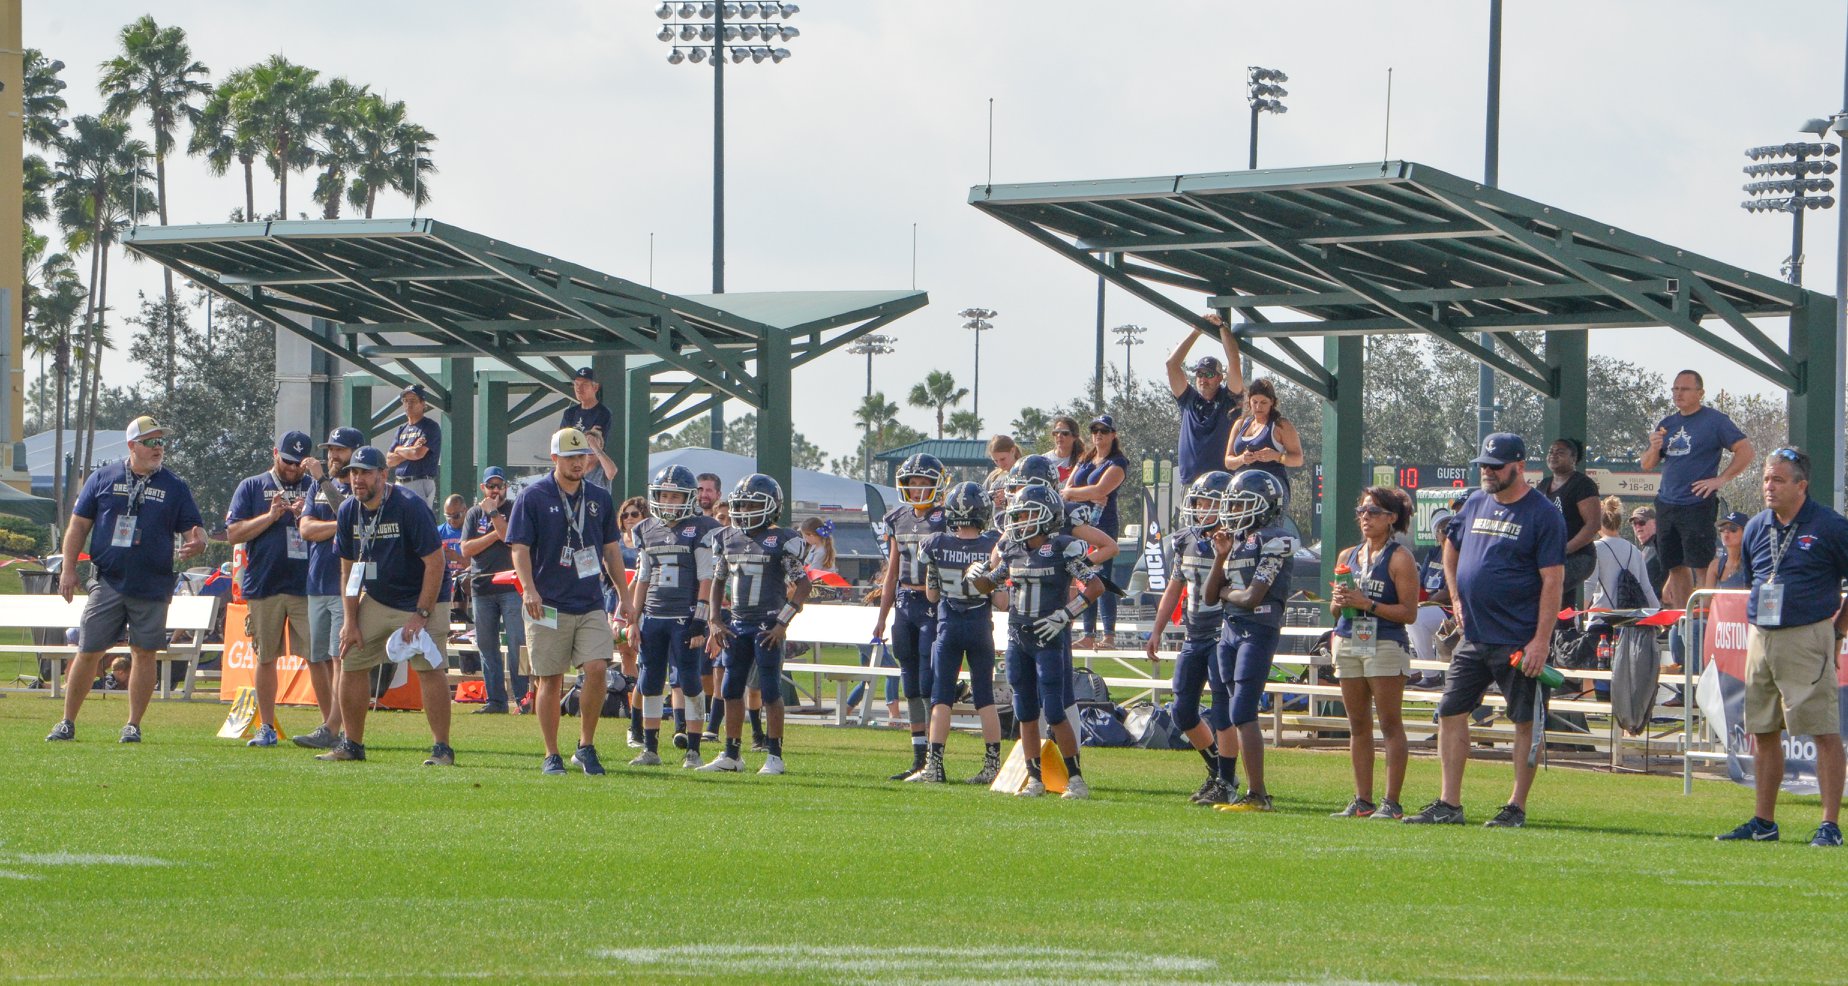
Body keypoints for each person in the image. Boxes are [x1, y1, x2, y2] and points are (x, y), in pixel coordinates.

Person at [1405, 433, 1564, 828]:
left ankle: (1516, 806)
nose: (1488, 472)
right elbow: (1451, 548)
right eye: (1483, 466)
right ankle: (1449, 803)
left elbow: (1553, 581)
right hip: (1474, 635)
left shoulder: (1542, 514)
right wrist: (1456, 599)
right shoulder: (1475, 500)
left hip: (1519, 639)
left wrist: (1541, 641)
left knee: (1525, 719)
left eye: (1495, 466)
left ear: (1519, 466)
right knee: (1450, 710)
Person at [1715, 447, 1848, 845]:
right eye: (1766, 479)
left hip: (1807, 634)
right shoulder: (1756, 526)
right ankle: (1764, 821)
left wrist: (1838, 630)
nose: (1769, 487)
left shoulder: (1829, 526)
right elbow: (1756, 577)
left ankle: (1829, 825)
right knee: (1763, 729)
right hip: (1761, 635)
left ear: (1801, 485)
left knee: (1822, 730)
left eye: (1778, 480)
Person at [46, 416, 205, 744]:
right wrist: (69, 569)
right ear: (132, 445)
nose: (158, 447)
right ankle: (66, 722)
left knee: (144, 652)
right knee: (88, 650)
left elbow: (194, 527)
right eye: (150, 442)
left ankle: (132, 724)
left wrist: (198, 540)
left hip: (152, 584)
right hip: (109, 582)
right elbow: (78, 526)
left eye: (161, 441)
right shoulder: (103, 477)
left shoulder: (175, 486)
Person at [507, 428, 631, 776]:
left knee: (596, 670)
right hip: (545, 602)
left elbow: (610, 550)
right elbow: (519, 548)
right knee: (550, 679)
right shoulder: (532, 496)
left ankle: (586, 746)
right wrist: (528, 589)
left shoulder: (599, 498)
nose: (578, 463)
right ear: (555, 459)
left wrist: (625, 596)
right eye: (571, 457)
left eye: (582, 457)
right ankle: (551, 754)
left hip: (589, 599)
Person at [316, 446, 451, 764]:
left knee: (429, 667)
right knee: (351, 659)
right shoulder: (349, 510)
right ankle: (352, 745)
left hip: (423, 597)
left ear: (383, 474)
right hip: (378, 597)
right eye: (353, 472)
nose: (357, 479)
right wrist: (350, 620)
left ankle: (442, 748)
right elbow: (349, 569)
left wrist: (421, 615)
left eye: (364, 472)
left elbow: (436, 564)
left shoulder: (409, 506)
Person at [970, 485, 1103, 799]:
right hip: (1018, 636)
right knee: (1025, 712)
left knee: (1055, 711)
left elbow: (1095, 586)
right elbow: (989, 584)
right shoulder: (1012, 548)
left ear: (1047, 517)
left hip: (1049, 637)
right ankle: (1035, 780)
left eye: (1028, 514)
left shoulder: (1062, 548)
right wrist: (975, 576)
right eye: (1018, 515)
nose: (1021, 521)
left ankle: (1076, 780)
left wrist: (1064, 615)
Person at [700, 474, 813, 774]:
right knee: (730, 689)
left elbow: (803, 586)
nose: (746, 510)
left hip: (767, 625)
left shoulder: (782, 540)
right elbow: (717, 581)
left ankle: (774, 755)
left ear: (771, 507)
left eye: (753, 504)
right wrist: (714, 620)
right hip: (737, 624)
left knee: (771, 691)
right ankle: (732, 754)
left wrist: (781, 624)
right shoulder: (727, 538)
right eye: (742, 504)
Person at [1143, 471, 1240, 806]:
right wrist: (1157, 629)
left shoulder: (1238, 538)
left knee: (1223, 710)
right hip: (1193, 632)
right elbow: (1175, 586)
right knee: (1182, 711)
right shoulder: (1184, 538)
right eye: (1199, 501)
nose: (1202, 508)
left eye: (1210, 501)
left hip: (1223, 631)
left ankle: (1226, 781)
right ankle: (1219, 772)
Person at [1202, 469, 1293, 813]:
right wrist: (1221, 557)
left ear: (1266, 506)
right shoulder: (1236, 541)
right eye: (1233, 503)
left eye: (1243, 503)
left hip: (1258, 628)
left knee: (1243, 709)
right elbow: (1212, 596)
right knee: (1230, 708)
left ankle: (1258, 794)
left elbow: (1254, 596)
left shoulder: (1276, 539)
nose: (1235, 510)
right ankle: (1248, 790)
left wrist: (1230, 592)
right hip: (1230, 630)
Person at [1328, 487, 1420, 821]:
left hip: (1384, 643)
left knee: (1390, 723)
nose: (1365, 517)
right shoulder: (1347, 556)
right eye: (1362, 511)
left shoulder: (1399, 557)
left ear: (1392, 519)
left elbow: (1410, 613)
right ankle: (1362, 799)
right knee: (1358, 724)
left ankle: (1391, 802)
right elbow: (1335, 612)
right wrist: (1338, 603)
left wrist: (1368, 604)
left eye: (1374, 512)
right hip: (1350, 639)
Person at [909, 481, 1007, 784]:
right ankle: (991, 765)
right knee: (984, 698)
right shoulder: (992, 545)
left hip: (948, 626)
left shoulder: (936, 543)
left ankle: (934, 766)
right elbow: (1002, 602)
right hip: (979, 626)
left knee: (941, 698)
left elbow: (932, 596)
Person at [224, 430, 317, 748]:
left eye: (299, 464)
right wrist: (271, 516)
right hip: (265, 585)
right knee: (265, 657)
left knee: (319, 657)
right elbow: (234, 533)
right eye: (288, 461)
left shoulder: (313, 485)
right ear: (275, 453)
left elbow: (342, 521)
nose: (293, 470)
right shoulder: (252, 486)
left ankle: (331, 726)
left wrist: (309, 510)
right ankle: (266, 726)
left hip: (307, 586)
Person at [631, 465, 723, 768]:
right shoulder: (646, 529)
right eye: (664, 495)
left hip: (683, 615)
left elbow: (706, 576)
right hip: (654, 615)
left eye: (675, 496)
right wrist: (633, 618)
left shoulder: (701, 527)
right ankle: (650, 748)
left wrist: (700, 619)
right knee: (650, 681)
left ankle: (694, 749)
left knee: (689, 680)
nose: (669, 501)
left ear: (688, 498)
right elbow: (643, 577)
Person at [1639, 369, 1754, 610]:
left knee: (1700, 565)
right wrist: (1653, 447)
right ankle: (1685, 620)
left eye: (1684, 389)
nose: (1678, 393)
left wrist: (1720, 480)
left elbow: (1745, 451)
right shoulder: (1667, 424)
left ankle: (1703, 620)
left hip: (1696, 504)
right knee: (1675, 565)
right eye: (1675, 389)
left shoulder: (1715, 420)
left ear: (1700, 393)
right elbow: (1647, 464)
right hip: (1667, 503)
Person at [871, 453, 949, 779]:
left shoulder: (946, 518)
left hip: (933, 603)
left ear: (937, 485)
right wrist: (881, 615)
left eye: (923, 483)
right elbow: (891, 572)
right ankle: (919, 757)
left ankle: (934, 759)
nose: (917, 490)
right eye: (912, 483)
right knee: (910, 683)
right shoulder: (897, 518)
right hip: (904, 602)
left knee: (930, 682)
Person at [292, 426, 362, 749]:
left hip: (343, 584)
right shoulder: (318, 488)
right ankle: (330, 725)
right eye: (330, 449)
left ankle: (336, 726)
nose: (332, 455)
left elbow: (353, 521)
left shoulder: (360, 488)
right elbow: (305, 528)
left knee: (339, 658)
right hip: (316, 580)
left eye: (339, 450)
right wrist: (339, 527)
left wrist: (321, 480)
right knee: (316, 656)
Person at [460, 466, 525, 715]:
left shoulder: (513, 508)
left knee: (517, 643)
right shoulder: (474, 514)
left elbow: (508, 535)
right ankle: (496, 701)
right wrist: (492, 536)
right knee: (487, 646)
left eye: (499, 486)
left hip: (510, 585)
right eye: (491, 486)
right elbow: (466, 549)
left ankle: (523, 699)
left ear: (506, 488)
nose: (495, 490)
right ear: (483, 488)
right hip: (481, 586)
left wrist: (495, 515)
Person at [1064, 415, 1130, 650]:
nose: (1098, 435)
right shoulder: (1086, 458)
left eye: (1104, 430)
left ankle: (1109, 636)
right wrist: (1086, 493)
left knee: (1103, 577)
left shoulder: (1118, 462)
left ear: (1113, 434)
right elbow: (1067, 489)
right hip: (1080, 525)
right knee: (1084, 576)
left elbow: (1103, 489)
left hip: (1103, 524)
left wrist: (1077, 493)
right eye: (1094, 430)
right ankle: (1089, 633)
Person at [1167, 312, 1246, 484]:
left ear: (1220, 377)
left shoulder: (1229, 399)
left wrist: (1222, 328)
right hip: (1190, 484)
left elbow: (1234, 362)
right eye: (1200, 374)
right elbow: (1172, 364)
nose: (1203, 379)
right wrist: (1196, 331)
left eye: (1209, 374)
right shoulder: (1188, 400)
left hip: (1221, 482)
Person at [1536, 438, 1601, 609]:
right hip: (1549, 557)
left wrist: (1565, 549)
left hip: (1579, 556)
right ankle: (1565, 632)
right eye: (1551, 452)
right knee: (1563, 604)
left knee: (1546, 587)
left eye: (1560, 452)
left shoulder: (1582, 484)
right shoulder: (1543, 485)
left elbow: (1593, 525)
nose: (1553, 455)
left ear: (1573, 458)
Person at [1223, 378, 1302, 502]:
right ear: (1249, 401)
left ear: (1272, 402)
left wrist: (1276, 456)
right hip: (1240, 488)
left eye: (1264, 402)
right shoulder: (1240, 424)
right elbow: (1228, 462)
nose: (1258, 406)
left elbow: (1298, 459)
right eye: (1255, 402)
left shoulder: (1280, 425)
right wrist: (1243, 458)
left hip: (1270, 489)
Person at [1406, 506, 1457, 689]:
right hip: (1427, 604)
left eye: (1451, 527)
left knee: (1416, 619)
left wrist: (1428, 601)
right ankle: (1411, 672)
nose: (1448, 532)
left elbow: (1450, 589)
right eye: (1443, 529)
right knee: (1399, 617)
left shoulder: (1459, 552)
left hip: (1449, 610)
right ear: (1436, 534)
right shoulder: (1433, 553)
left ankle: (1431, 675)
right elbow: (1420, 583)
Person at [614, 495, 647, 748]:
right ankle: (626, 701)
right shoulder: (615, 543)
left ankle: (643, 705)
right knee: (625, 652)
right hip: (615, 599)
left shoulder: (648, 541)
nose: (628, 519)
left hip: (641, 601)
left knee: (641, 653)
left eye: (634, 514)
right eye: (625, 515)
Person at [1590, 497, 1660, 611]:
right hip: (1628, 621)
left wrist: (1575, 617)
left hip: (1601, 618)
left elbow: (1589, 586)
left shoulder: (1596, 548)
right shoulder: (1635, 551)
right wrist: (1660, 618)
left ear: (1599, 524)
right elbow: (1647, 589)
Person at [558, 366, 618, 487]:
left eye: (584, 385)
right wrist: (585, 436)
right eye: (576, 384)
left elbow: (595, 440)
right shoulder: (570, 413)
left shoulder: (603, 413)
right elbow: (561, 442)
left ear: (595, 387)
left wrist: (579, 438)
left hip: (594, 468)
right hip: (571, 466)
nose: (579, 389)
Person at [387, 384, 443, 508]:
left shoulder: (430, 427)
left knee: (417, 521)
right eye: (405, 401)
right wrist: (408, 449)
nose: (408, 404)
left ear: (423, 404)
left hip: (419, 481)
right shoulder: (401, 429)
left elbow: (418, 454)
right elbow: (389, 460)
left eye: (413, 401)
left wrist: (399, 450)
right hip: (399, 482)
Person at [438, 494, 469, 632]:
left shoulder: (472, 531)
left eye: (456, 516)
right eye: (447, 516)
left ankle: (459, 619)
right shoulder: (439, 532)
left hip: (465, 582)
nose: (451, 520)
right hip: (444, 581)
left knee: (461, 581)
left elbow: (478, 566)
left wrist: (456, 557)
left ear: (465, 511)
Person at [1707, 510, 1753, 590]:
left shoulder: (1754, 564)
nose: (1726, 533)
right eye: (1722, 529)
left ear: (1746, 533)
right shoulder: (1715, 566)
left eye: (1733, 529)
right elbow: (1706, 600)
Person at [1629, 505, 1668, 599]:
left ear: (1655, 523)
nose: (1638, 527)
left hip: (1661, 605)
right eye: (1634, 523)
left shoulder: (1660, 545)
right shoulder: (1647, 548)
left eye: (1642, 522)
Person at [1045, 415, 1085, 483]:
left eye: (1065, 433)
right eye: (1056, 432)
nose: (1059, 436)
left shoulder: (1083, 460)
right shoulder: (1044, 459)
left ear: (1075, 436)